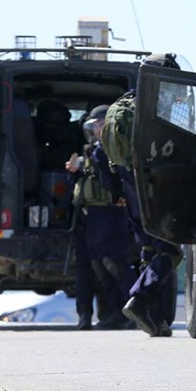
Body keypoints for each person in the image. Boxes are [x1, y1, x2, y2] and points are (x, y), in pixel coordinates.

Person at [103, 54, 184, 338]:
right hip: (151, 186)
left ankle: (156, 319)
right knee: (170, 251)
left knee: (149, 251)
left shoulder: (121, 104)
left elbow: (103, 154)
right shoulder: (153, 106)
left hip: (129, 186)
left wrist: (116, 190)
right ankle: (140, 299)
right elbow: (170, 148)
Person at [67, 105, 135, 331]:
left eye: (99, 125)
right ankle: (114, 313)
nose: (95, 130)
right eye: (94, 126)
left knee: (114, 264)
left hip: (110, 213)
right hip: (89, 215)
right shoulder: (93, 151)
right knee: (96, 266)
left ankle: (135, 310)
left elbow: (112, 179)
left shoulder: (111, 149)